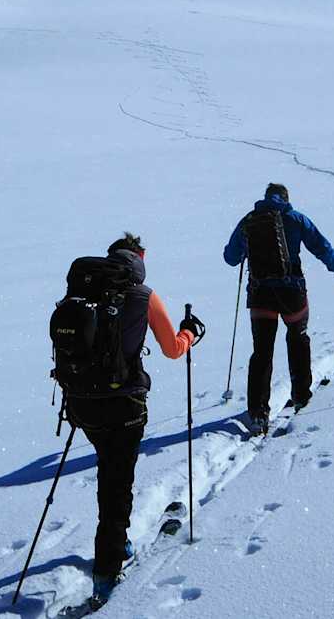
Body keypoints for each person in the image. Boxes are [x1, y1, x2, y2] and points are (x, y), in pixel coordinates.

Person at [60, 233, 204, 602]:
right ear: (140, 257)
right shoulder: (144, 295)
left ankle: (117, 543)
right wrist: (189, 333)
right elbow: (172, 350)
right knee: (116, 486)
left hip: (81, 403)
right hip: (123, 406)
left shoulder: (83, 290)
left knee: (110, 473)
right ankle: (106, 573)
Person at [222, 184, 334, 434]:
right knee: (298, 338)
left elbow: (230, 258)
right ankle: (301, 394)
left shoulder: (249, 220)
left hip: (260, 295)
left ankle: (258, 412)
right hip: (292, 292)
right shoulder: (295, 218)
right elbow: (320, 246)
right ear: (286, 198)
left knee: (262, 352)